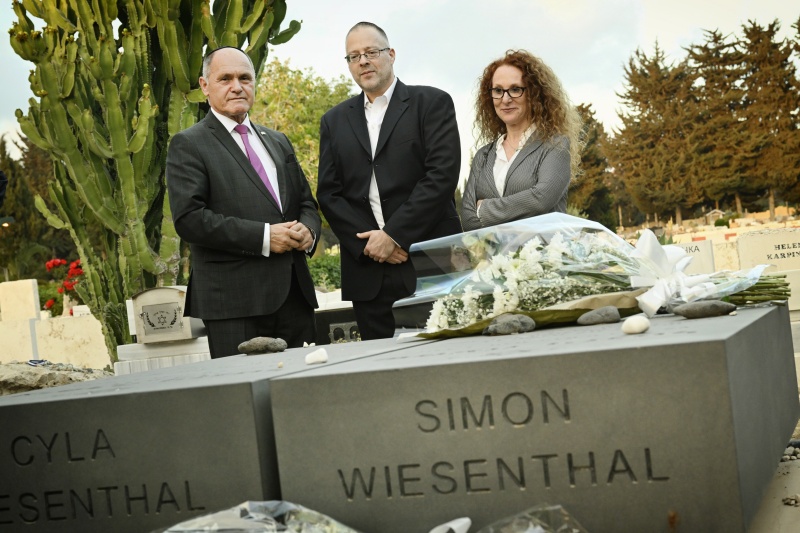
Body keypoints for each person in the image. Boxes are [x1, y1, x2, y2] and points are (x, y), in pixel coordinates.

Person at [166, 47, 321, 358]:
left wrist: (308, 231)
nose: (237, 86)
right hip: (234, 303)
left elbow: (306, 202)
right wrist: (265, 237)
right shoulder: (189, 144)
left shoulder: (278, 140)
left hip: (295, 297)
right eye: (225, 79)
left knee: (305, 385)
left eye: (245, 78)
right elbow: (190, 219)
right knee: (244, 388)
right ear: (204, 86)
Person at [317, 22, 462, 340]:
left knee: (445, 359)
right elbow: (329, 194)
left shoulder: (432, 103)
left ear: (391, 54)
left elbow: (441, 176)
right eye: (354, 56)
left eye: (371, 52)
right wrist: (371, 245)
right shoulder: (333, 121)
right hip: (368, 274)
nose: (363, 61)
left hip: (430, 262)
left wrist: (394, 235)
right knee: (380, 365)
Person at [461, 50, 582, 231]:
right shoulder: (483, 156)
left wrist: (484, 209)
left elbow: (541, 200)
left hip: (542, 250)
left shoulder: (555, 145)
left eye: (515, 89)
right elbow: (468, 220)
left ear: (534, 94)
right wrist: (519, 208)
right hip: (492, 251)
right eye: (498, 90)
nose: (505, 99)